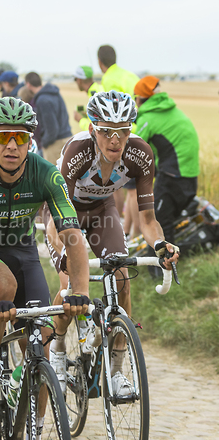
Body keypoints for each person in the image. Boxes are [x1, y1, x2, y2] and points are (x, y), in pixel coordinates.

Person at [0, 97, 90, 420]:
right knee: (2, 285)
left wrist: (80, 290)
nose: (12, 145)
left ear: (30, 142)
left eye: (21, 137)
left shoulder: (45, 174)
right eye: (2, 137)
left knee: (39, 348)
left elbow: (72, 235)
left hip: (23, 250)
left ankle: (34, 437)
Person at [47, 91, 180, 395]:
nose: (115, 139)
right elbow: (58, 217)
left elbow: (147, 220)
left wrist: (160, 245)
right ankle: (57, 347)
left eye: (123, 130)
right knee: (70, 286)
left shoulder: (141, 155)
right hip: (64, 213)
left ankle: (117, 372)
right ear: (93, 128)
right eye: (106, 130)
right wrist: (64, 254)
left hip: (102, 211)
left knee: (121, 277)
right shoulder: (78, 151)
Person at [134, 76, 200, 247]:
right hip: (190, 175)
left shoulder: (147, 119)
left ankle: (159, 270)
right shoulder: (171, 110)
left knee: (156, 222)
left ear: (140, 98)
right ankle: (175, 259)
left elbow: (132, 148)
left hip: (173, 175)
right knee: (167, 219)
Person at [98, 45, 140, 220]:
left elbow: (111, 113)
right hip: (141, 127)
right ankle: (129, 230)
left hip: (123, 134)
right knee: (136, 187)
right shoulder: (129, 75)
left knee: (121, 185)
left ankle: (122, 226)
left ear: (100, 63)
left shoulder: (108, 79)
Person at [24, 71, 72, 165]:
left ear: (28, 84)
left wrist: (44, 143)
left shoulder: (42, 100)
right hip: (67, 139)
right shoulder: (54, 93)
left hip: (54, 144)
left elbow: (52, 129)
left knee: (53, 177)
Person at [73, 66, 104, 131]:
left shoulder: (94, 96)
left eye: (75, 79)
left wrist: (80, 120)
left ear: (79, 80)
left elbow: (96, 129)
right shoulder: (99, 89)